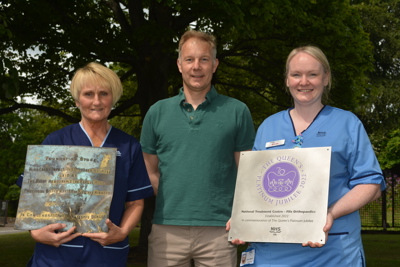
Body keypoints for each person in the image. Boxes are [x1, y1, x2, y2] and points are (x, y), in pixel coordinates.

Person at [230, 46, 386, 266]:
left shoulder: (347, 123)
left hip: (333, 251)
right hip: (273, 255)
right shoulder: (268, 126)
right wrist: (244, 219)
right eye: (296, 75)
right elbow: (254, 189)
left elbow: (371, 184)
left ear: (326, 78)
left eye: (312, 74)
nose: (304, 82)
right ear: (287, 80)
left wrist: (330, 214)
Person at [16, 62, 154, 266]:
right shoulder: (55, 141)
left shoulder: (128, 146)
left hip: (106, 255)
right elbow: (31, 199)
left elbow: (135, 202)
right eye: (89, 94)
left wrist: (122, 232)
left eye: (104, 94)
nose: (96, 101)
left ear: (113, 98)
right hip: (56, 255)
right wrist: (36, 233)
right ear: (77, 100)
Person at [140, 30, 255, 267]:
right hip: (167, 229)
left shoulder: (237, 111)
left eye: (204, 59)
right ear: (179, 64)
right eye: (190, 59)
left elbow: (247, 172)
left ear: (214, 65)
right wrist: (178, 198)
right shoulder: (157, 112)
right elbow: (150, 171)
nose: (197, 66)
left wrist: (241, 215)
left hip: (220, 230)